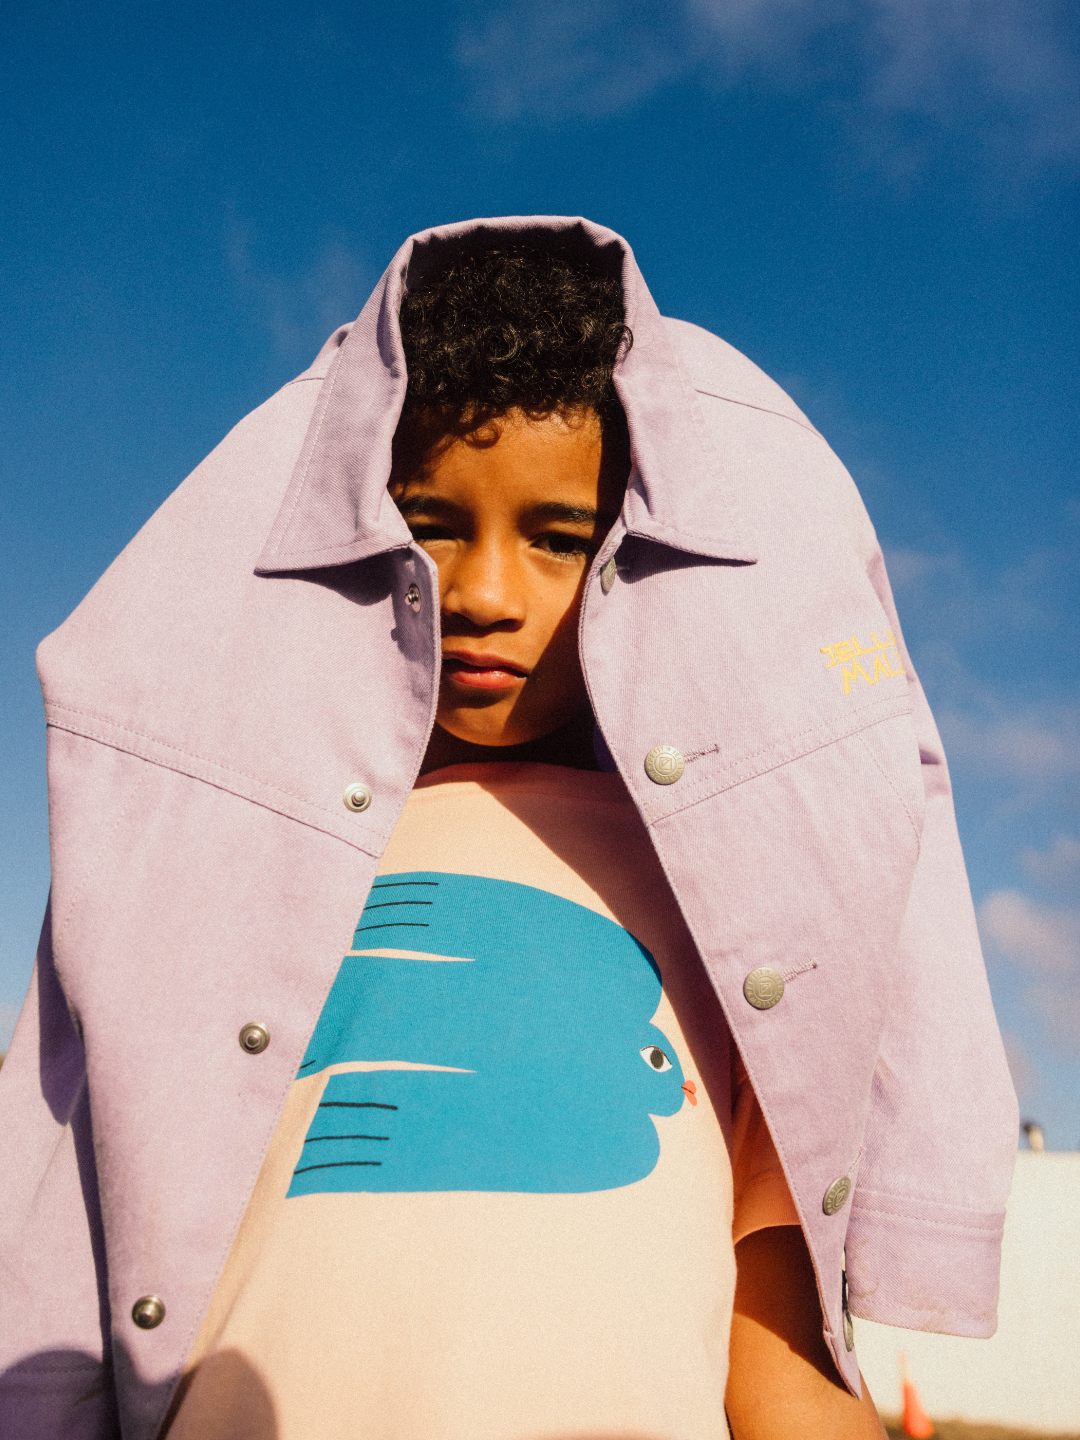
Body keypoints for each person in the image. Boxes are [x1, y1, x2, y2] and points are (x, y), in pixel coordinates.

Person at [0, 217, 1017, 1440]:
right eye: (431, 521)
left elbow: (776, 1355)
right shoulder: (238, 870)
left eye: (558, 537)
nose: (483, 593)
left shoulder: (735, 905)